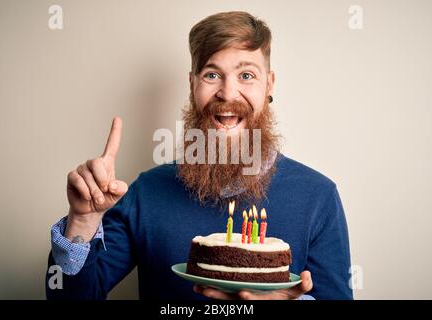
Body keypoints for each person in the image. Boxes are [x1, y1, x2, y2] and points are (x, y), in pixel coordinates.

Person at [46, 11, 353, 300]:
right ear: (192, 84)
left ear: (269, 84)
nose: (228, 93)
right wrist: (82, 223)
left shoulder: (318, 197)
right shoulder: (146, 193)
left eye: (246, 75)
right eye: (211, 75)